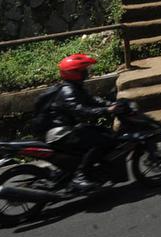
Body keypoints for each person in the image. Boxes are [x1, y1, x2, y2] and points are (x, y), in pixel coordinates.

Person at [44, 54, 123, 193]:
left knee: (105, 134)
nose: (87, 72)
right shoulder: (67, 90)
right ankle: (80, 177)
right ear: (74, 73)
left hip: (68, 129)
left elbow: (92, 100)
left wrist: (113, 104)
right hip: (61, 132)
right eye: (83, 70)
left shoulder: (75, 87)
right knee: (99, 141)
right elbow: (79, 110)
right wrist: (106, 110)